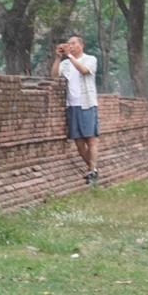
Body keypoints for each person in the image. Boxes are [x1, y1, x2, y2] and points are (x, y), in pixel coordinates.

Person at [51, 33, 99, 184]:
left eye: (73, 43)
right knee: (78, 143)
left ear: (81, 45)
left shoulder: (90, 59)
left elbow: (84, 71)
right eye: (68, 44)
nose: (70, 46)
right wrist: (59, 58)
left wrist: (70, 56)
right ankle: (93, 170)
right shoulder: (65, 63)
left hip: (87, 103)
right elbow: (53, 76)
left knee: (90, 140)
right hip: (72, 105)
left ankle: (92, 171)